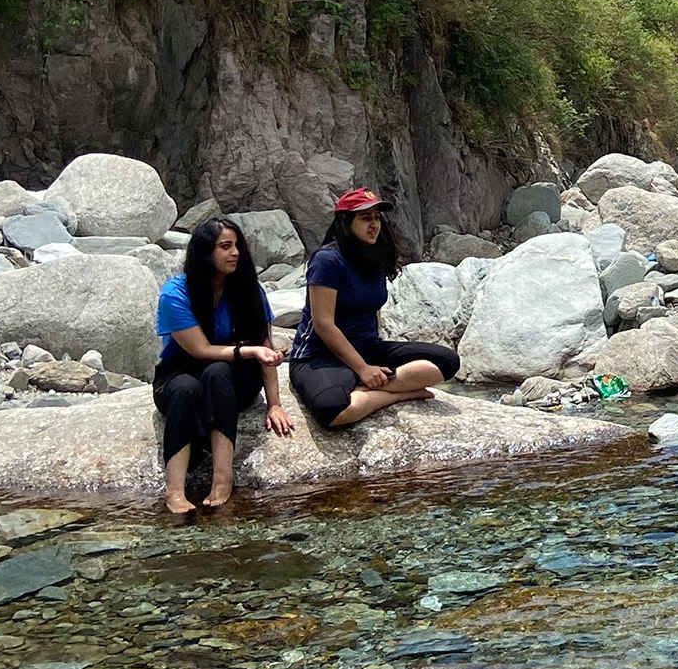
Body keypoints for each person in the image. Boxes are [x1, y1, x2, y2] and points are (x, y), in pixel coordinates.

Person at [155, 217, 294, 514]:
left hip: (232, 380)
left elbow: (266, 348)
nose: (235, 254)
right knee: (185, 389)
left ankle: (223, 478)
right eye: (225, 247)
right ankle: (175, 491)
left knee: (218, 374)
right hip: (183, 371)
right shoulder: (176, 293)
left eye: (237, 246)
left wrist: (275, 404)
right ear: (205, 253)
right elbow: (201, 350)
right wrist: (250, 350)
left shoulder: (249, 291)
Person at [289, 188, 459, 429]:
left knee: (447, 361)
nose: (374, 225)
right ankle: (398, 393)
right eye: (366, 218)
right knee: (332, 410)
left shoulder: (373, 257)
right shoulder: (328, 260)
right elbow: (323, 324)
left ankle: (368, 389)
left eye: (377, 217)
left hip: (368, 348)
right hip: (319, 356)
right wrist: (363, 369)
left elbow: (373, 308)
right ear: (346, 222)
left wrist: (371, 361)